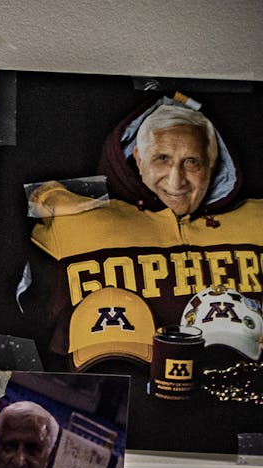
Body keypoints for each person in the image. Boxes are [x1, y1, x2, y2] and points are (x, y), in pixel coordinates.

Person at [23, 98, 263, 370]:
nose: (176, 181)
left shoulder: (257, 221)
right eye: (162, 159)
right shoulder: (74, 222)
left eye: (192, 162)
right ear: (138, 158)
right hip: (117, 388)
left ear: (213, 162)